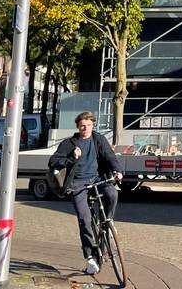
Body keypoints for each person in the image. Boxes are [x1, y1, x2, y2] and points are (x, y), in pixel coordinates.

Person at [48, 111, 123, 276]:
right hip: (78, 184)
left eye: (88, 125)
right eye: (82, 126)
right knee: (85, 219)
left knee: (112, 194)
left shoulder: (99, 139)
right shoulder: (70, 143)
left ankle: (108, 222)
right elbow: (53, 161)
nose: (86, 128)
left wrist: (118, 171)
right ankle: (90, 257)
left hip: (97, 178)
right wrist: (70, 159)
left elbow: (110, 156)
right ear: (78, 127)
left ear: (92, 125)